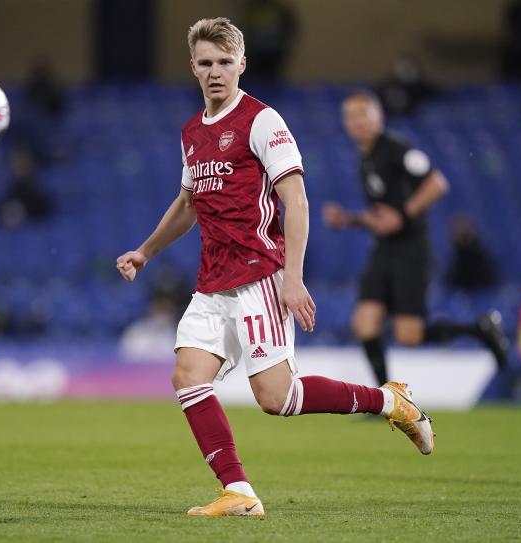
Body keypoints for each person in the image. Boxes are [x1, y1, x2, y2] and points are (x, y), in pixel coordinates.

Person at [116, 18, 434, 518]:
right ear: (193, 68)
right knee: (188, 376)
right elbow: (188, 203)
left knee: (277, 398)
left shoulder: (263, 121)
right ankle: (239, 491)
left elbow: (297, 201)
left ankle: (390, 402)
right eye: (206, 63)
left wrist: (292, 276)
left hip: (258, 273)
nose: (215, 72)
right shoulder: (192, 132)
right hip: (211, 281)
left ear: (241, 64)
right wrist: (145, 251)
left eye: (225, 62)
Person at [322, 93, 508, 387]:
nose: (358, 122)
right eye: (352, 116)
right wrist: (349, 219)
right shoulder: (366, 159)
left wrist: (404, 216)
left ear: (378, 117)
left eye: (364, 114)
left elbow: (436, 183)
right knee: (364, 324)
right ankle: (388, 398)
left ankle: (479, 330)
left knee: (408, 335)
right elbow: (383, 217)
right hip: (384, 250)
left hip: (411, 250)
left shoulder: (394, 148)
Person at [447, 214, 498, 291]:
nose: (462, 233)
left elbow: (487, 277)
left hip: (480, 288)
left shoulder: (478, 252)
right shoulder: (457, 255)